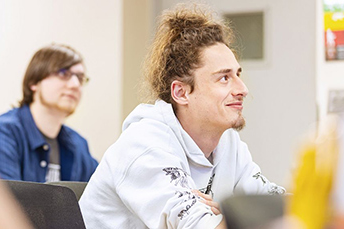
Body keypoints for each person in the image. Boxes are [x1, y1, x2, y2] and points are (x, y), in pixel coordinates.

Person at [79, 4, 285, 229]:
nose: (242, 89)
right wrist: (234, 218)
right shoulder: (145, 145)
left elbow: (282, 211)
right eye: (224, 78)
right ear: (181, 92)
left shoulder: (228, 144)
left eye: (237, 74)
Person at [0, 44, 98, 182]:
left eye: (80, 78)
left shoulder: (78, 144)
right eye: (63, 73)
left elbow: (100, 197)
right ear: (34, 82)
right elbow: (1, 202)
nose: (75, 85)